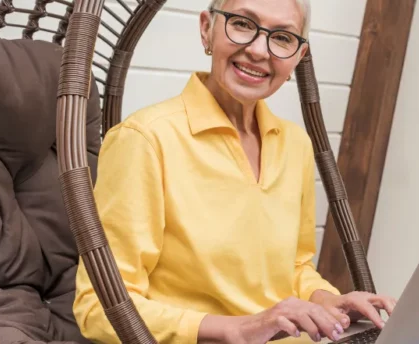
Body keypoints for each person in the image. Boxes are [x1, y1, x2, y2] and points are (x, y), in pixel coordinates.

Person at [71, 0, 396, 343]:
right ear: (206, 29)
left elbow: (295, 269)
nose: (258, 50)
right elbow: (98, 308)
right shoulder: (145, 139)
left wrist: (330, 301)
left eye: (283, 38)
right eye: (242, 23)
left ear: (298, 57)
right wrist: (239, 329)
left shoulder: (295, 143)